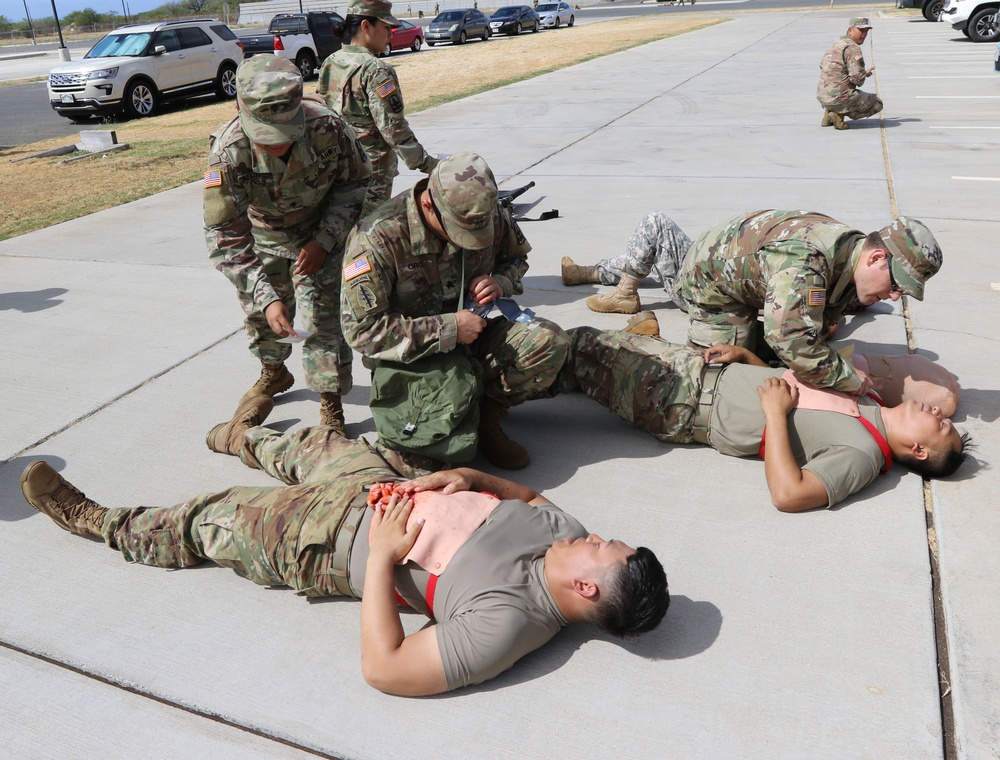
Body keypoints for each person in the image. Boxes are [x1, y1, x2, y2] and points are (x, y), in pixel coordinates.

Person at [18, 398, 670, 697]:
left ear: (586, 589)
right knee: (311, 445)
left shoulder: (508, 625)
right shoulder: (565, 530)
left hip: (328, 541)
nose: (599, 537)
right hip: (377, 487)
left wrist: (383, 558)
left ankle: (94, 520)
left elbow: (384, 669)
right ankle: (242, 437)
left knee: (205, 520)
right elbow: (526, 500)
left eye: (606, 550)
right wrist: (468, 479)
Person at [557, 326, 969, 511]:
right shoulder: (869, 400)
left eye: (941, 425)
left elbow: (789, 495)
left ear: (917, 450)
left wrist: (774, 415)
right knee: (583, 348)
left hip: (679, 400)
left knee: (571, 348)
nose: (935, 412)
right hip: (699, 371)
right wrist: (748, 360)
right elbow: (789, 386)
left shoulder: (862, 453)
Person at [340, 151, 571, 470]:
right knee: (424, 463)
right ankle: (453, 418)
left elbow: (517, 259)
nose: (470, 243)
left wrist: (501, 282)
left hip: (474, 338)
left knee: (549, 341)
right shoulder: (375, 239)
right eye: (459, 231)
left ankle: (486, 420)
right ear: (427, 205)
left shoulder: (487, 214)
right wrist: (448, 329)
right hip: (413, 360)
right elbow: (363, 332)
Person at [205, 56, 372, 434]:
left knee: (322, 321)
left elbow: (357, 183)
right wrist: (265, 296)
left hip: (322, 232)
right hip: (264, 239)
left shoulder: (328, 126)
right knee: (263, 317)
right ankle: (274, 372)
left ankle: (330, 403)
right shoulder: (228, 152)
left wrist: (325, 240)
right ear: (240, 108)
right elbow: (224, 236)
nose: (278, 146)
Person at [675, 210, 942, 396]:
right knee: (720, 379)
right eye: (896, 286)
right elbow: (789, 339)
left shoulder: (852, 250)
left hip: (754, 274)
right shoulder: (809, 263)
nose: (895, 297)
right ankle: (646, 348)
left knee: (811, 340)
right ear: (876, 258)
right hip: (710, 278)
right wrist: (846, 377)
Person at [317, 0, 438, 217]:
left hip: (338, 169)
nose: (391, 33)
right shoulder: (377, 70)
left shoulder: (331, 62)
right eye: (386, 27)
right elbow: (394, 129)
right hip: (372, 174)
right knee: (369, 236)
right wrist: (428, 164)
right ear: (366, 26)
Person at [560, 211, 692, 317]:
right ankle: (587, 273)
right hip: (701, 282)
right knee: (647, 252)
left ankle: (625, 293)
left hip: (696, 291)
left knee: (655, 222)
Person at [817, 17, 882, 131]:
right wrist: (862, 74)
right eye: (861, 30)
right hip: (838, 98)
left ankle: (828, 114)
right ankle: (838, 115)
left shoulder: (835, 44)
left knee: (842, 92)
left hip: (822, 96)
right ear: (850, 31)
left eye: (866, 31)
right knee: (877, 104)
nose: (864, 34)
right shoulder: (853, 48)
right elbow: (857, 80)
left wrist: (863, 73)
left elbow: (827, 68)